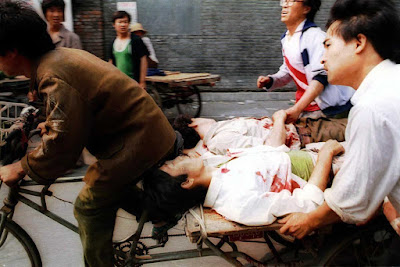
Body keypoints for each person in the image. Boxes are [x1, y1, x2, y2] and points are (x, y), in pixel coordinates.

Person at [0, 2, 177, 266]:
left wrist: (22, 167)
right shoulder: (58, 60)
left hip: (139, 140)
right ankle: (161, 212)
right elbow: (73, 114)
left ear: (13, 51)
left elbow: (63, 143)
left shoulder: (53, 75)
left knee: (88, 206)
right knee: (103, 183)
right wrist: (47, 124)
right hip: (140, 133)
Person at [279, 0, 400, 239]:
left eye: (328, 45)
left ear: (359, 43)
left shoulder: (373, 106)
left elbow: (355, 193)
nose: (322, 59)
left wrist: (311, 219)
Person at [142, 111, 345, 227]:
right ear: (187, 181)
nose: (178, 159)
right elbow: (308, 204)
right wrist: (326, 155)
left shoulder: (217, 166)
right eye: (173, 165)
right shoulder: (239, 202)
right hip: (333, 170)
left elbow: (272, 151)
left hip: (317, 152)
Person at [257, 0, 354, 124]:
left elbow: (321, 77)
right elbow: (288, 69)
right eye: (284, 1)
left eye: (292, 1)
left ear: (306, 9)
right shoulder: (286, 38)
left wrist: (297, 109)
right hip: (308, 108)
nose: (285, 5)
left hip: (330, 110)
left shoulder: (315, 37)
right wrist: (271, 80)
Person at [173, 113, 347, 155]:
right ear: (193, 122)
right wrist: (279, 118)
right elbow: (274, 148)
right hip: (312, 136)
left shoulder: (220, 130)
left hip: (307, 127)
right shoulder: (220, 141)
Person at [109, 11, 149, 89]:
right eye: (120, 22)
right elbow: (111, 62)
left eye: (125, 22)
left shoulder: (135, 40)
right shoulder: (113, 43)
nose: (123, 25)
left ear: (129, 24)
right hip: (119, 83)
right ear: (114, 25)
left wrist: (142, 81)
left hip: (134, 83)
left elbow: (143, 60)